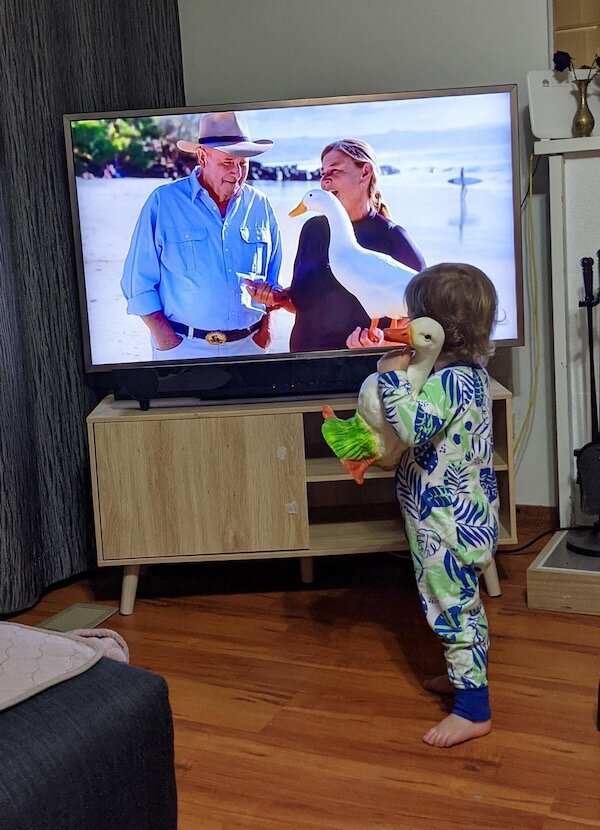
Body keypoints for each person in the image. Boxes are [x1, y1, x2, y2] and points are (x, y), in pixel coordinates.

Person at [375, 263, 499, 748]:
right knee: (454, 602)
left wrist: (390, 379)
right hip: (451, 516)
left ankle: (474, 709)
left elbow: (413, 427)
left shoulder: (448, 384)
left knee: (453, 608)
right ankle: (460, 674)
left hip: (447, 523)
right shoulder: (469, 376)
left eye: (413, 317)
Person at [121, 111, 284, 359]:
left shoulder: (260, 205)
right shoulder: (163, 202)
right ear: (202, 157)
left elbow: (274, 276)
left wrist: (265, 334)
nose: (237, 173)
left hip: (250, 348)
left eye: (243, 164)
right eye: (227, 162)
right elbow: (137, 283)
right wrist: (168, 342)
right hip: (182, 349)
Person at [283, 138, 425, 352]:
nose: (325, 182)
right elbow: (306, 301)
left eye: (335, 171)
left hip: (361, 369)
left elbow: (425, 322)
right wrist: (276, 298)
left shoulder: (393, 238)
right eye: (323, 173)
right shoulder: (312, 231)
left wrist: (381, 343)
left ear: (365, 173)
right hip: (303, 366)